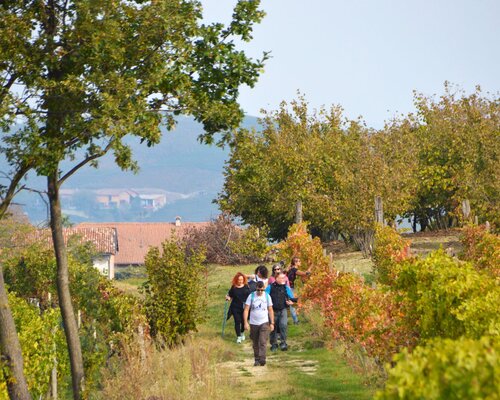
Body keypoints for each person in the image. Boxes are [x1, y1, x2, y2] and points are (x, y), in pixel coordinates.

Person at [243, 281, 274, 366]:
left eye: (262, 290)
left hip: (264, 322)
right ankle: (256, 359)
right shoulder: (251, 296)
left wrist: (272, 323)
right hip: (253, 323)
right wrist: (245, 322)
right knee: (255, 342)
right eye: (258, 290)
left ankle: (262, 358)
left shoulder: (267, 296)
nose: (260, 292)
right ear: (256, 288)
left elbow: (270, 309)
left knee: (263, 341)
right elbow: (246, 309)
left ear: (264, 289)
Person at [266, 272, 297, 351]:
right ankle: (274, 344)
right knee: (273, 327)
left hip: (283, 309)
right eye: (282, 278)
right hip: (272, 310)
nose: (284, 279)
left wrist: (292, 302)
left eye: (284, 278)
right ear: (276, 278)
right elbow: (265, 297)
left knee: (283, 326)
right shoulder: (270, 287)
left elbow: (291, 297)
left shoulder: (286, 288)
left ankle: (283, 343)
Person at [225, 272, 251, 343]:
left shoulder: (246, 286)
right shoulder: (234, 287)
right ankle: (238, 337)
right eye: (239, 280)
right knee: (237, 321)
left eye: (241, 280)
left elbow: (250, 296)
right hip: (235, 307)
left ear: (243, 280)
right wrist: (228, 297)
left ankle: (242, 333)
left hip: (244, 307)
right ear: (236, 280)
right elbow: (230, 295)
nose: (240, 281)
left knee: (243, 321)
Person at [286, 256, 310, 325]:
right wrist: (310, 269)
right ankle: (296, 321)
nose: (300, 262)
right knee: (292, 303)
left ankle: (289, 320)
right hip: (289, 288)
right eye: (299, 261)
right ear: (295, 262)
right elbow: (304, 274)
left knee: (289, 303)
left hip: (288, 287)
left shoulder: (291, 268)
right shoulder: (294, 269)